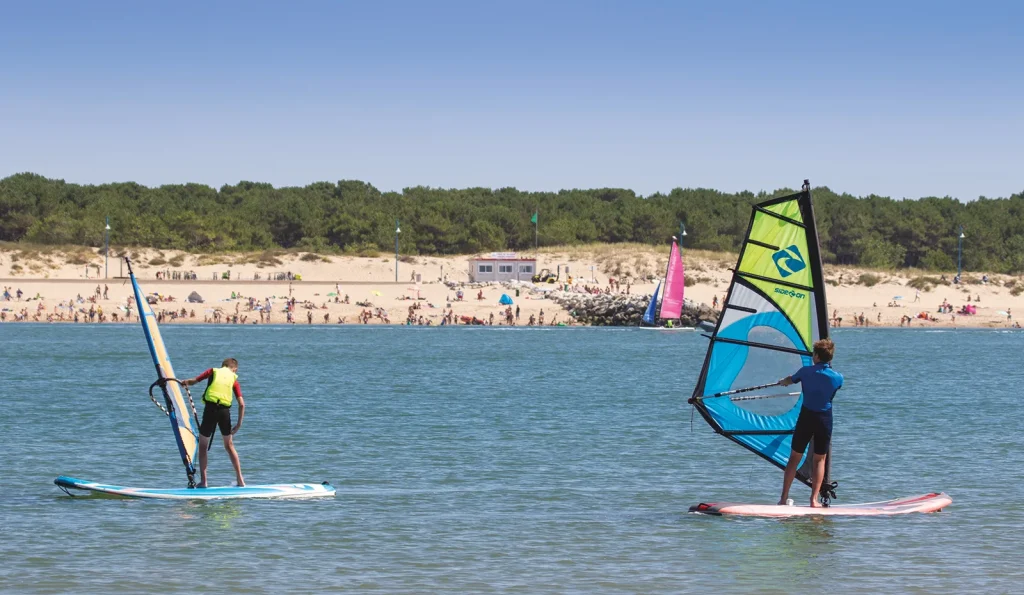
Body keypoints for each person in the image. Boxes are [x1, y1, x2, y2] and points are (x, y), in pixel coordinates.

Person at [777, 339, 843, 508]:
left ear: (816, 355)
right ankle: (814, 500)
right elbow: (832, 390)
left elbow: (791, 380)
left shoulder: (805, 372)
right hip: (824, 419)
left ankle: (783, 498)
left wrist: (783, 382)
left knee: (794, 458)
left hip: (806, 417)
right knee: (819, 460)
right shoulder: (838, 377)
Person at [182, 358, 245, 488]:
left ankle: (204, 482)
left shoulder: (213, 371)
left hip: (210, 410)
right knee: (229, 446)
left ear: (222, 366)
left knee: (203, 447)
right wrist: (238, 424)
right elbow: (242, 404)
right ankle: (240, 480)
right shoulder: (234, 379)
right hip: (224, 413)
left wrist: (184, 382)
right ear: (235, 369)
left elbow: (194, 381)